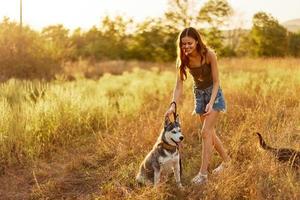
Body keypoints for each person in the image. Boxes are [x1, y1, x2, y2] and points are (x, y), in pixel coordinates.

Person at [165, 27, 230, 185]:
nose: (186, 47)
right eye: (183, 44)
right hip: (200, 96)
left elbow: (216, 82)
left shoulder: (209, 55)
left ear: (197, 42)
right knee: (210, 134)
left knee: (205, 132)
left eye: (189, 43)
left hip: (214, 95)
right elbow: (178, 85)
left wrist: (211, 102)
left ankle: (203, 175)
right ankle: (228, 162)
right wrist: (173, 104)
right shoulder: (183, 60)